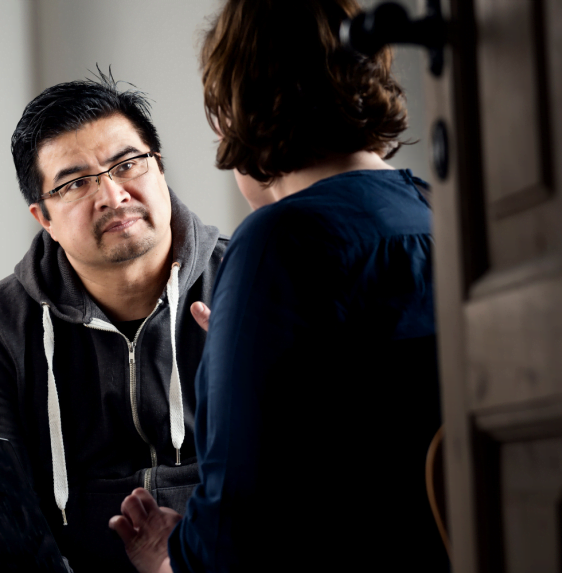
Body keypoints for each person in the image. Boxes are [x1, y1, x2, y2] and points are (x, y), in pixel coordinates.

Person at [109, 0, 447, 571]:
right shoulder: (437, 209)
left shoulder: (279, 242)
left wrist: (172, 558)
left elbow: (241, 530)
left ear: (235, 107)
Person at [0, 72, 228, 572]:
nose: (112, 195)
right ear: (43, 218)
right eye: (75, 183)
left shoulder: (243, 285)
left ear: (159, 168)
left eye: (127, 164)